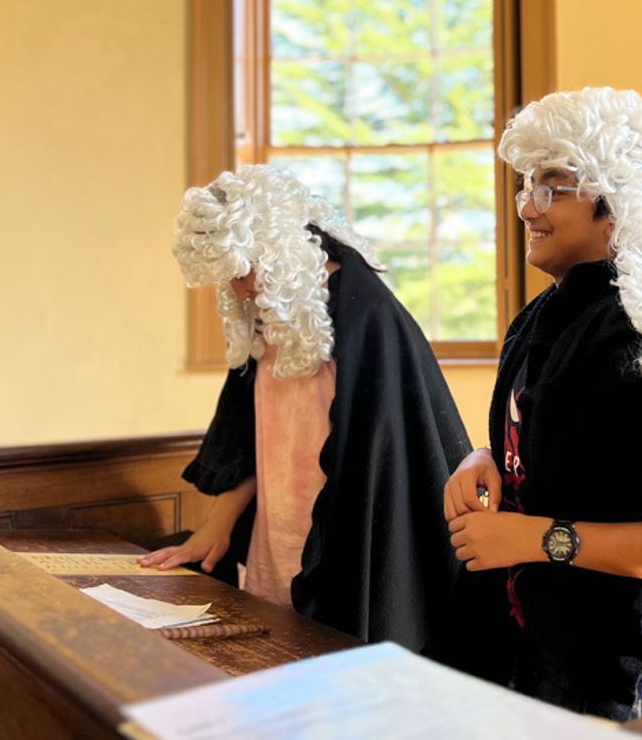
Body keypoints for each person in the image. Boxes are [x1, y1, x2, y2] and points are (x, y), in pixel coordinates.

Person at [443, 87, 642, 721]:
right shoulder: (546, 316)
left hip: (632, 669)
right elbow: (564, 447)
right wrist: (486, 459)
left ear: (616, 205)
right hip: (551, 648)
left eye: (552, 188)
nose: (527, 207)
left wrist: (535, 539)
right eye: (527, 185)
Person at [139, 164, 472, 657]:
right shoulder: (265, 315)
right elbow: (247, 433)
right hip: (276, 542)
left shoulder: (365, 316)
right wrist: (217, 525)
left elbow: (377, 469)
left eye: (244, 272)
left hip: (342, 546)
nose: (240, 291)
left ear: (277, 251)